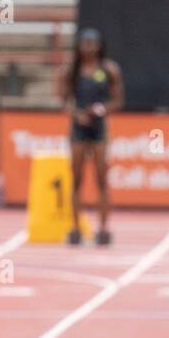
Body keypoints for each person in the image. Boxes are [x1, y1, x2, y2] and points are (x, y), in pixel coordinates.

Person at [60, 28, 124, 246]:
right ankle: (75, 227)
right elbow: (64, 99)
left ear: (99, 46)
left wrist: (102, 110)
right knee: (76, 178)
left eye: (92, 43)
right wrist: (76, 114)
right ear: (79, 46)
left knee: (101, 178)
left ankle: (103, 228)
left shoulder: (109, 70)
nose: (88, 47)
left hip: (99, 127)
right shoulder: (72, 70)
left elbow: (118, 101)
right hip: (79, 127)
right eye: (84, 43)